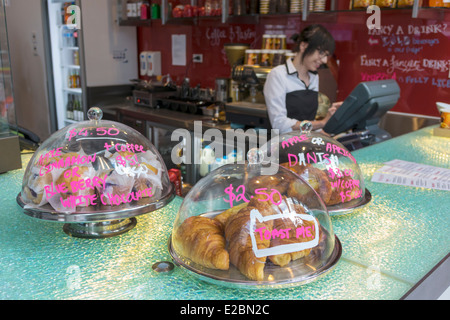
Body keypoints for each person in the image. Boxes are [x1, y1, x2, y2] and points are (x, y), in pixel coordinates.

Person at [264, 24, 342, 134]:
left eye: (326, 55)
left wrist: (327, 133)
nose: (324, 60)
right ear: (303, 46)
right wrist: (322, 123)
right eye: (321, 53)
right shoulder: (278, 75)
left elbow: (309, 121)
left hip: (304, 145)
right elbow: (280, 124)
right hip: (281, 146)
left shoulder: (314, 77)